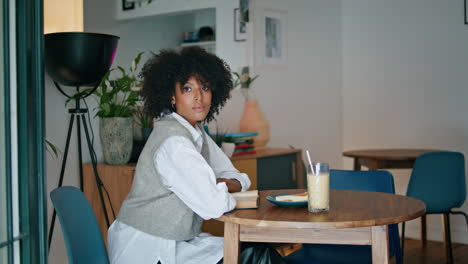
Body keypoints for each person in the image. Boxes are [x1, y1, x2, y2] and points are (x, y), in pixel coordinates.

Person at [107, 47, 253, 264]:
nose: (198, 97)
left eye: (204, 87)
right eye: (187, 88)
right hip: (147, 248)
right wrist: (219, 186)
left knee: (250, 251)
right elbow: (214, 206)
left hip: (177, 241)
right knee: (252, 255)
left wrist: (221, 183)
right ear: (172, 96)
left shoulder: (195, 133)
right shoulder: (175, 143)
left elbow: (240, 178)